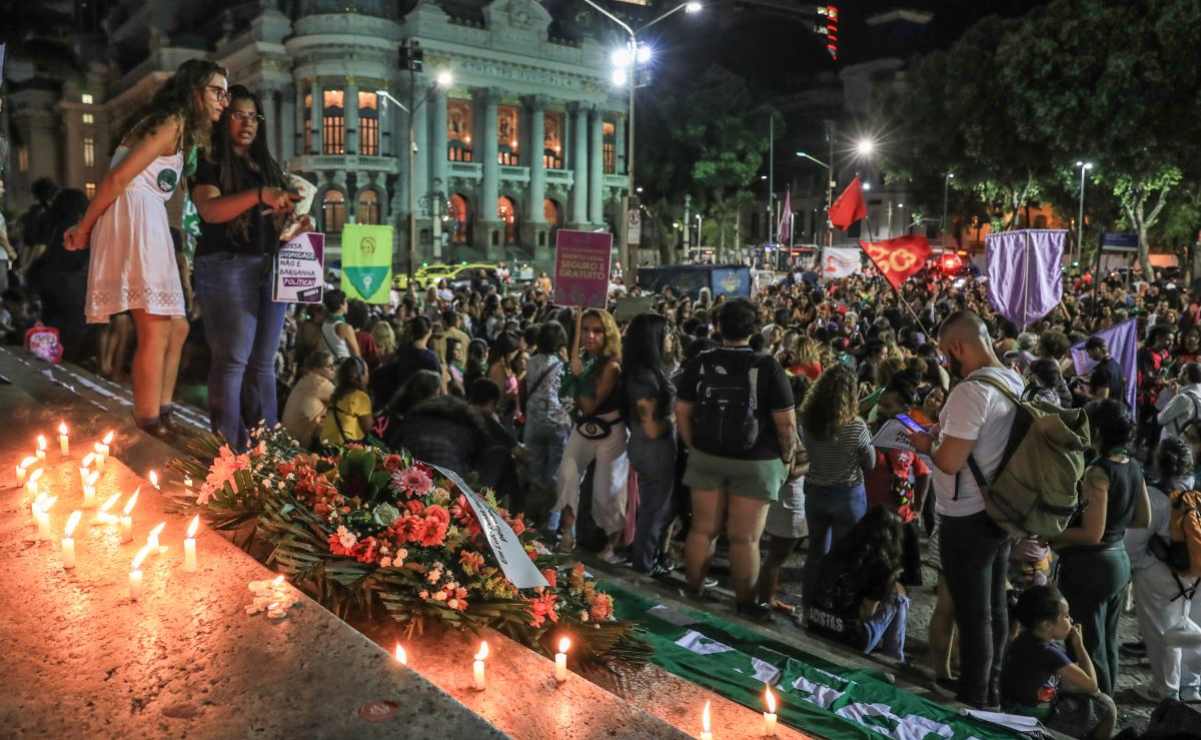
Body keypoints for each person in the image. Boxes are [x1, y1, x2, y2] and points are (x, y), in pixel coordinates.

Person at [66, 59, 229, 435]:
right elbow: (118, 178)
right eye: (217, 92)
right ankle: (148, 422)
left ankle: (163, 408)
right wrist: (84, 227)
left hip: (146, 217)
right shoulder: (171, 120)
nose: (223, 100)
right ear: (194, 91)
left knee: (177, 327)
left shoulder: (179, 127)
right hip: (134, 216)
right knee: (155, 328)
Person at [908, 310, 1024, 709]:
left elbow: (950, 462)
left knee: (974, 613)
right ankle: (991, 687)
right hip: (999, 510)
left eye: (945, 354)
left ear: (958, 347)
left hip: (967, 516)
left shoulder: (970, 392)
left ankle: (975, 698)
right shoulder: (1012, 379)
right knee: (993, 606)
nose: (945, 362)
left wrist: (927, 445)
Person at [190, 85, 300, 449]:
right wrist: (258, 195)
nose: (247, 123)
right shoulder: (209, 162)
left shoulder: (266, 165)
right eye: (238, 114)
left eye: (253, 116)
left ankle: (266, 446)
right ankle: (228, 448)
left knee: (265, 362)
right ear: (224, 120)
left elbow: (278, 215)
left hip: (270, 265)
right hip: (226, 266)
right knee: (233, 359)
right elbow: (210, 210)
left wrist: (298, 221)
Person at [676, 298, 796, 619]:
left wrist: (694, 446)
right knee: (745, 538)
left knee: (702, 530)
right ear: (754, 328)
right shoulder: (767, 366)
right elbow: (786, 424)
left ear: (718, 326)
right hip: (757, 461)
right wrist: (786, 460)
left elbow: (682, 412)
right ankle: (744, 602)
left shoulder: (700, 361)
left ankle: (693, 589)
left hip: (706, 455)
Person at [1053, 399, 1151, 696]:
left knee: (1088, 643)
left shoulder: (1098, 472)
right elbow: (1142, 517)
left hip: (1091, 566)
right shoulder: (1133, 465)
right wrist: (1115, 526)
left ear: (1096, 430)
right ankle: (1106, 702)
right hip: (1118, 560)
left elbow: (1092, 533)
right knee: (1108, 642)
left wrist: (1054, 533)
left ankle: (1094, 709)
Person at [1125, 437, 1201, 703]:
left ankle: (1166, 689)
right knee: (1189, 627)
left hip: (1160, 574)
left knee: (1162, 632)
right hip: (1196, 571)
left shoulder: (1155, 497)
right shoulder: (1196, 491)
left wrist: (1142, 568)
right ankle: (1191, 686)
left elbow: (1133, 545)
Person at [552, 308, 628, 562]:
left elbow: (589, 405)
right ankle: (566, 534)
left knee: (608, 491)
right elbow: (570, 401)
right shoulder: (583, 358)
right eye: (585, 330)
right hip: (583, 427)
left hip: (610, 429)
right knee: (567, 476)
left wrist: (577, 376)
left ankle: (611, 544)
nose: (590, 336)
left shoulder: (612, 365)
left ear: (608, 333)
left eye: (597, 330)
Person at [800, 363, 876, 607]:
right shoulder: (856, 426)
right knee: (844, 556)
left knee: (815, 553)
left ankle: (809, 603)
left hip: (815, 492)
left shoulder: (808, 420)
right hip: (848, 497)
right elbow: (870, 463)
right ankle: (835, 607)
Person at [1001, 586, 1117, 740]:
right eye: (1066, 616)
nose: (1071, 620)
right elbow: (1092, 685)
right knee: (1106, 705)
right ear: (1046, 625)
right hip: (1037, 722)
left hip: (1014, 710)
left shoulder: (1023, 639)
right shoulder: (1049, 652)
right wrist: (1079, 645)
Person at [807, 506, 910, 662]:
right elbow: (868, 612)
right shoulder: (882, 565)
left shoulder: (838, 550)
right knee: (898, 595)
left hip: (815, 624)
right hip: (851, 642)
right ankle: (893, 659)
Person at [624, 313, 678, 575]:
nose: (670, 339)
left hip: (644, 446)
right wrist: (675, 418)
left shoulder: (645, 371)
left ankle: (645, 559)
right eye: (667, 333)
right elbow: (652, 427)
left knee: (652, 508)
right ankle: (643, 565)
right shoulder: (644, 378)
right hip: (652, 448)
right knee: (654, 511)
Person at [758, 374, 810, 614]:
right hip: (788, 497)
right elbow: (789, 472)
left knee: (774, 555)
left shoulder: (773, 420)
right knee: (776, 556)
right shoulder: (792, 428)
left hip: (776, 494)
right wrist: (811, 464)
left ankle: (766, 596)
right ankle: (764, 599)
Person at [28, 188, 90, 361]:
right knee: (73, 325)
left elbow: (37, 247)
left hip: (45, 277)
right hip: (70, 283)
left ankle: (48, 356)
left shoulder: (49, 223)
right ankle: (65, 359)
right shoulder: (79, 227)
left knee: (51, 320)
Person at [523, 321, 572, 527]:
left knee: (534, 474)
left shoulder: (530, 362)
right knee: (554, 476)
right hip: (557, 425)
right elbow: (567, 396)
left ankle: (531, 519)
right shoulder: (561, 365)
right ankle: (551, 524)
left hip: (533, 424)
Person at [372, 315, 441, 406]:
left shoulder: (402, 351)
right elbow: (437, 387)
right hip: (422, 406)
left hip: (400, 403)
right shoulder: (431, 358)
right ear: (429, 332)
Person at [281, 350, 335, 449]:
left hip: (286, 438)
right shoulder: (321, 383)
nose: (333, 369)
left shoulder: (303, 380)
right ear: (316, 368)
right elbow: (346, 402)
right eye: (329, 366)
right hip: (301, 445)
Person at [319, 356, 373, 445]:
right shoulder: (361, 397)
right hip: (344, 447)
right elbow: (368, 427)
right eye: (366, 372)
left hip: (325, 444)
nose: (368, 374)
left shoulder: (335, 394)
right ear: (360, 376)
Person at [1157, 363, 1201, 441]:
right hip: (1186, 444)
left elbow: (1161, 419)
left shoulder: (1183, 398)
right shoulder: (1197, 394)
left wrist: (1175, 397)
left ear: (1186, 375)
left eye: (1180, 372)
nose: (1178, 374)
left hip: (1171, 443)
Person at [320, 289, 360, 362]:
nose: (347, 304)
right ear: (341, 305)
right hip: (344, 367)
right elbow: (356, 354)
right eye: (346, 302)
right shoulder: (345, 327)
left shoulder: (324, 324)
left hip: (330, 365)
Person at [1083, 336, 1125, 405]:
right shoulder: (1116, 365)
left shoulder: (1102, 370)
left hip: (1107, 412)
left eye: (1089, 352)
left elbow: (1102, 399)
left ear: (1096, 349)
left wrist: (1084, 394)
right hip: (1118, 408)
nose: (1089, 356)